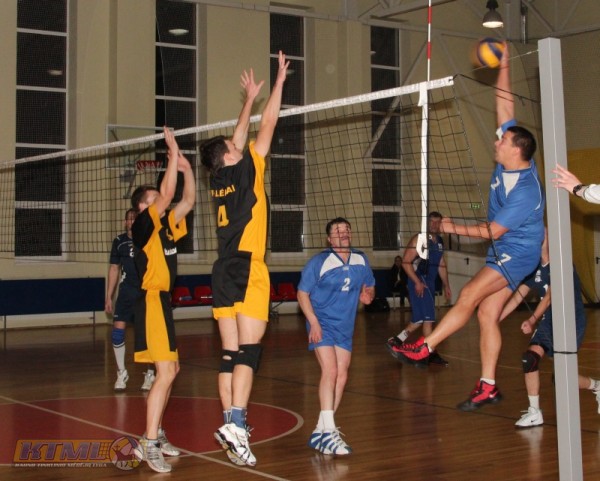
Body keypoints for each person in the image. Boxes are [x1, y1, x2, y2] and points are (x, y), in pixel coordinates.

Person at [392, 43, 545, 412]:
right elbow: (505, 105)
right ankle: (488, 386)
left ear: (517, 150)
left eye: (502, 141)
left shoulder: (526, 190)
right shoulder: (509, 162)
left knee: (468, 295)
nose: (497, 141)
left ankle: (425, 347)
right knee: (486, 314)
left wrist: (451, 226)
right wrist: (503, 65)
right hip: (503, 250)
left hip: (517, 252)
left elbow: (493, 230)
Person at [200, 51, 289, 467]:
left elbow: (236, 137)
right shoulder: (247, 167)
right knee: (250, 353)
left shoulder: (218, 177)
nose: (240, 144)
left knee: (230, 353)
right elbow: (267, 125)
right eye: (236, 147)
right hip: (249, 267)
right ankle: (236, 424)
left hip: (222, 270)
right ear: (231, 155)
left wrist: (248, 99)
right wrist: (279, 83)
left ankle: (230, 425)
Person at [130, 126, 196, 473]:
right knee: (166, 371)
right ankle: (148, 440)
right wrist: (171, 151)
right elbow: (168, 194)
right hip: (151, 300)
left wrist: (187, 170)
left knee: (171, 371)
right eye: (154, 198)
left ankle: (155, 433)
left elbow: (187, 201)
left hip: (164, 303)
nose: (162, 201)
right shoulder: (143, 226)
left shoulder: (166, 226)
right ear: (144, 207)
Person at [499, 231, 600, 427]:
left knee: (562, 378)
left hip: (570, 320)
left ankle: (597, 386)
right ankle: (534, 411)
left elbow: (549, 297)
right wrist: (496, 319)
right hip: (549, 320)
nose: (539, 236)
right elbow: (519, 295)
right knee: (530, 359)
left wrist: (531, 320)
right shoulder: (533, 267)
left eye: (543, 234)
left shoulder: (562, 264)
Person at [297, 217, 375, 455]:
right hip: (322, 323)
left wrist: (368, 295)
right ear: (329, 239)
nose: (343, 233)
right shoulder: (319, 262)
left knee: (342, 376)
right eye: (338, 230)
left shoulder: (361, 259)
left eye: (346, 229)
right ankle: (330, 432)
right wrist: (313, 322)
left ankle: (321, 431)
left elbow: (369, 285)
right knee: (330, 371)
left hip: (345, 326)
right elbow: (302, 293)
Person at [386, 212, 452, 366]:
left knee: (419, 319)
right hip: (420, 281)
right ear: (426, 223)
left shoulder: (440, 242)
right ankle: (429, 353)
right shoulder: (419, 239)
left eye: (437, 222)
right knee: (429, 319)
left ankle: (396, 340)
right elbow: (406, 262)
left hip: (430, 282)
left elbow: (441, 264)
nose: (434, 225)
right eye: (432, 222)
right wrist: (417, 282)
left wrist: (446, 285)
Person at [105, 208, 155, 392]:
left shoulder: (147, 239)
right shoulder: (119, 242)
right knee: (117, 332)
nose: (132, 222)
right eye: (129, 219)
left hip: (144, 293)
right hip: (126, 293)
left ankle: (150, 373)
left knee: (146, 335)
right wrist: (109, 296)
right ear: (125, 222)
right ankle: (121, 372)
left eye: (135, 219)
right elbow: (114, 269)